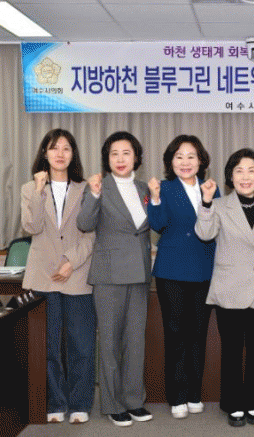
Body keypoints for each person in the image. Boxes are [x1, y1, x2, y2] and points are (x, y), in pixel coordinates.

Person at [195, 148, 254, 427]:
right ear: (230, 176)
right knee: (232, 351)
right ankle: (233, 404)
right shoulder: (218, 205)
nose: (245, 176)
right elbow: (205, 233)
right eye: (239, 171)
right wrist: (206, 202)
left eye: (251, 170)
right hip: (230, 289)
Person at [76, 131, 153, 427]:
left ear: (137, 158)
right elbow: (84, 223)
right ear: (106, 159)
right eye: (114, 154)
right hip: (109, 275)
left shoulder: (145, 188)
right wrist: (94, 195)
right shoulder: (99, 186)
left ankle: (134, 400)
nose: (120, 159)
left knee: (135, 342)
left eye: (126, 153)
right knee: (109, 343)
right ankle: (112, 404)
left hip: (140, 274)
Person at [21, 128, 96, 424]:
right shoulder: (30, 188)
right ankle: (55, 402)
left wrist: (71, 262)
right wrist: (39, 191)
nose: (60, 153)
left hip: (77, 275)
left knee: (81, 346)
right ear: (45, 153)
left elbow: (92, 234)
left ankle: (79, 403)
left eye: (66, 148)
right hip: (43, 276)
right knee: (49, 346)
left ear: (73, 153)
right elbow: (32, 227)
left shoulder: (86, 188)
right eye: (54, 148)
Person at [147, 135, 219, 419]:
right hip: (172, 271)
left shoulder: (211, 189)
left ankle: (194, 393)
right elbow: (158, 224)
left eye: (191, 156)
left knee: (198, 334)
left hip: (204, 269)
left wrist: (209, 200)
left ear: (201, 161)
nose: (185, 162)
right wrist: (154, 198)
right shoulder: (163, 188)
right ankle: (177, 396)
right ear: (170, 162)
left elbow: (216, 228)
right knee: (175, 333)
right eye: (179, 156)